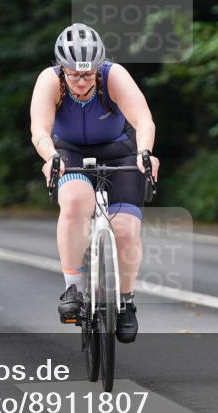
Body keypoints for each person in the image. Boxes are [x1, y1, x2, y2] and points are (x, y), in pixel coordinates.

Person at [29, 23, 160, 344]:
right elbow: (40, 130)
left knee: (126, 229)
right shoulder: (50, 80)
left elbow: (143, 120)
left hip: (118, 150)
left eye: (88, 75)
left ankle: (126, 302)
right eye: (74, 74)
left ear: (99, 67)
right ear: (61, 69)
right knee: (74, 201)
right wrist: (50, 158)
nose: (82, 82)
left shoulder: (113, 76)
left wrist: (145, 153)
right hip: (69, 151)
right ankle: (73, 286)